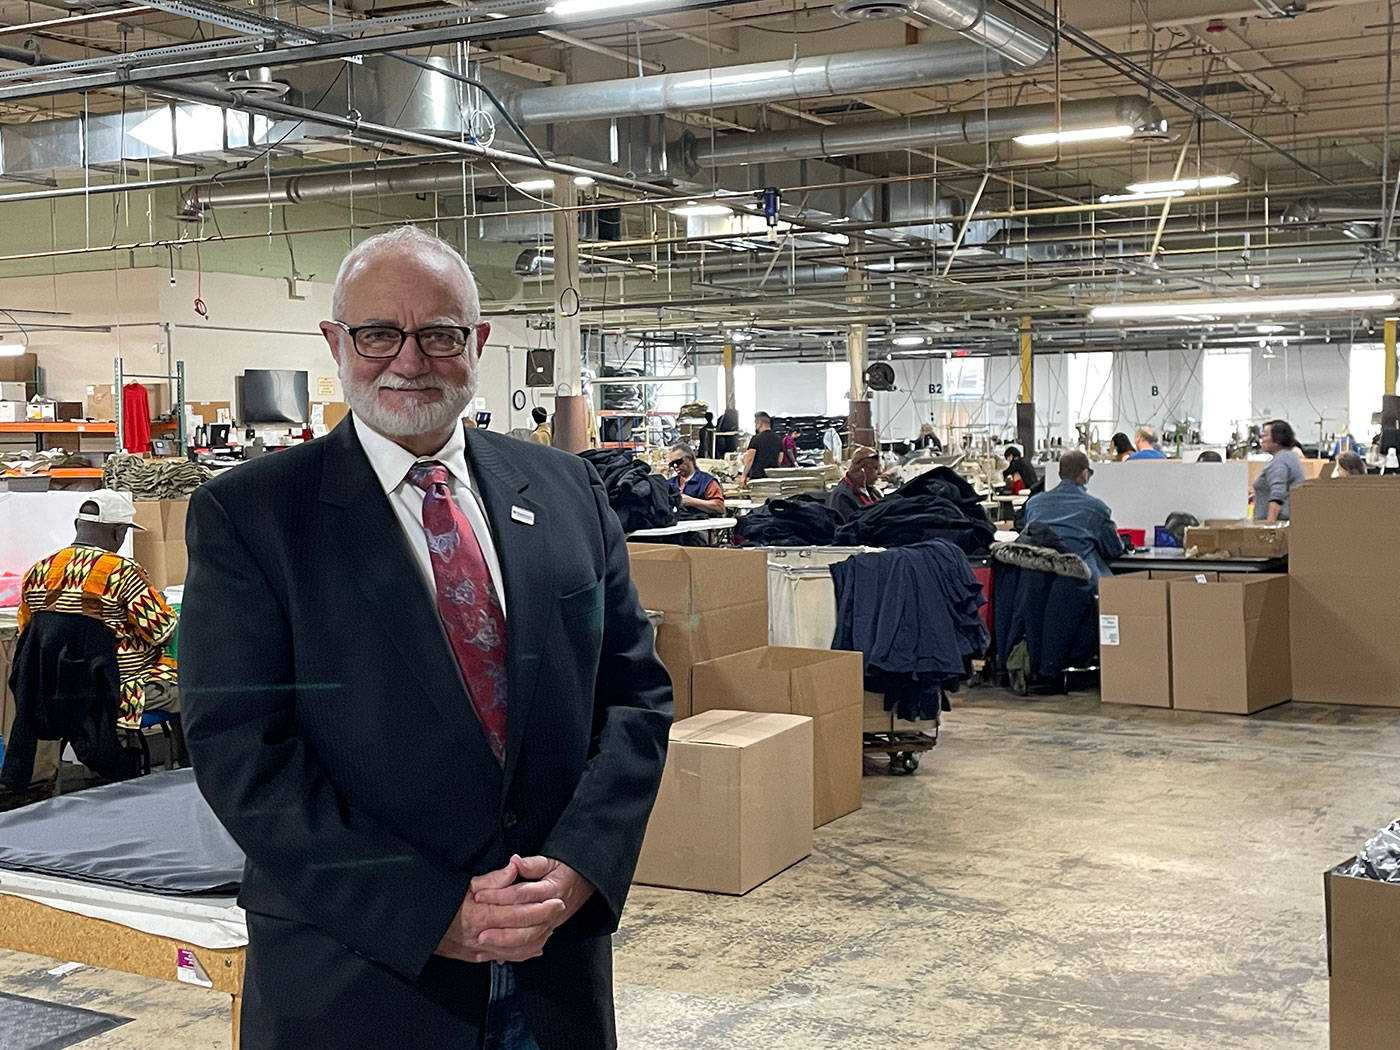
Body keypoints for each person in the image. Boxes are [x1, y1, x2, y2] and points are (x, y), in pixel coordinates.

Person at [179, 226, 672, 1050]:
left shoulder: (563, 488)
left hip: (554, 961)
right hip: (360, 973)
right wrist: (429, 912)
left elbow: (633, 695)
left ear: (475, 343)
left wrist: (584, 864)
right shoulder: (254, 514)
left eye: (439, 334)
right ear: (336, 341)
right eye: (378, 334)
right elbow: (241, 752)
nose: (409, 360)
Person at [16, 490, 181, 733]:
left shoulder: (36, 572)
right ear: (119, 532)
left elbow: (27, 636)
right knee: (201, 693)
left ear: (77, 524)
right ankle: (192, 769)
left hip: (59, 691)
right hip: (122, 690)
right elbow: (162, 632)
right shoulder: (121, 572)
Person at [1023, 451, 1125, 580]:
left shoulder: (1033, 504)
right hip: (1081, 582)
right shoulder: (1096, 508)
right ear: (1085, 474)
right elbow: (1113, 549)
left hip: (1039, 580)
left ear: (1060, 474)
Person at [1253, 418, 1306, 522]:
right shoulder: (1290, 456)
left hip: (1279, 523)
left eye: (1265, 435)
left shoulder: (1280, 461)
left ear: (1277, 440)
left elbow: (1277, 497)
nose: (1262, 439)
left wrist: (1270, 528)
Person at [828, 445, 882, 523]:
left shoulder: (871, 490)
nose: (880, 473)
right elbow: (849, 529)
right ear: (862, 468)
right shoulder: (842, 496)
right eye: (875, 468)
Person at [668, 444, 725, 516]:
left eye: (678, 462)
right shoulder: (670, 483)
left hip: (703, 525)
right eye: (672, 464)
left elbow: (719, 507)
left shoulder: (707, 482)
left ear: (689, 458)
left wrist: (691, 501)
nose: (675, 466)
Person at [738, 410, 782, 486]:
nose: (755, 425)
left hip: (757, 477)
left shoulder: (756, 439)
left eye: (755, 423)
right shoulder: (778, 439)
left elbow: (749, 459)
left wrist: (744, 476)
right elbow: (780, 458)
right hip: (772, 478)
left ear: (760, 423)